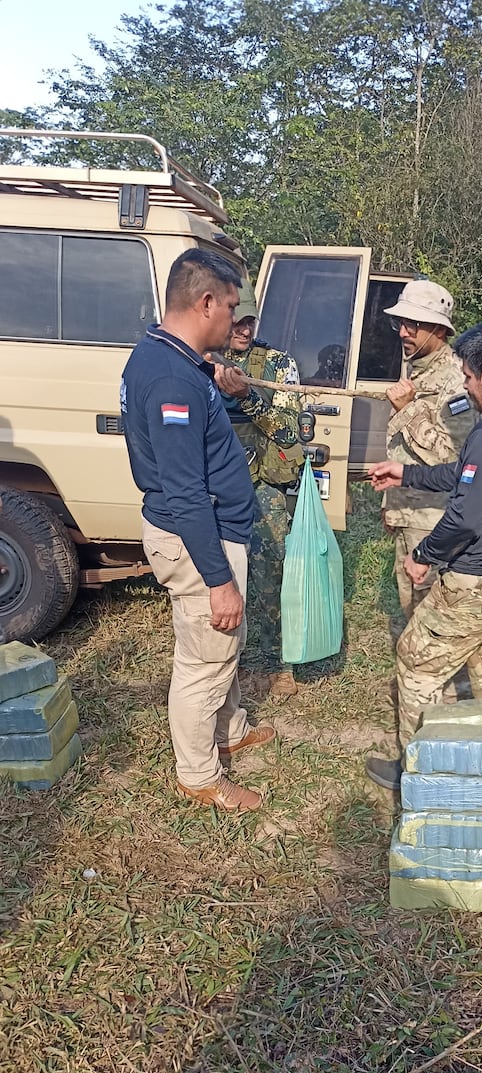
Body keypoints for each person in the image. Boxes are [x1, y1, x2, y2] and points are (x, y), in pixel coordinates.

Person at [364, 320, 482, 791]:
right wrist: (406, 474)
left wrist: (424, 555)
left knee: (415, 663)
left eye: (470, 377)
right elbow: (466, 474)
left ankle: (421, 778)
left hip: (481, 584)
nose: (466, 386)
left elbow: (466, 519)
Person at [121, 248, 275, 813]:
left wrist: (214, 374)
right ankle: (199, 774)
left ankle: (229, 729)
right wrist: (219, 579)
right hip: (197, 536)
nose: (235, 322)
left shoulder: (171, 358)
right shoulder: (171, 379)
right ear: (205, 301)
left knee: (220, 646)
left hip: (209, 527)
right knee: (204, 658)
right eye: (231, 308)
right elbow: (185, 492)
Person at [214, 291, 304, 698]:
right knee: (222, 574)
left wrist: (245, 397)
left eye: (251, 321)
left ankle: (276, 661)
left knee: (271, 574)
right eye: (238, 320)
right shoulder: (204, 360)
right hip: (219, 483)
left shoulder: (277, 365)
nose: (244, 329)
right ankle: (238, 659)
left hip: (264, 485)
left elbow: (287, 431)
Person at [380, 279, 477, 621]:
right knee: (413, 617)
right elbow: (402, 450)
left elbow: (455, 461)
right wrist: (392, 506)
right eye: (399, 323)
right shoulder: (415, 367)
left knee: (435, 626)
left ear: (438, 329)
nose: (403, 332)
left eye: (412, 324)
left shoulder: (456, 382)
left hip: (436, 523)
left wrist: (408, 409)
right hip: (411, 516)